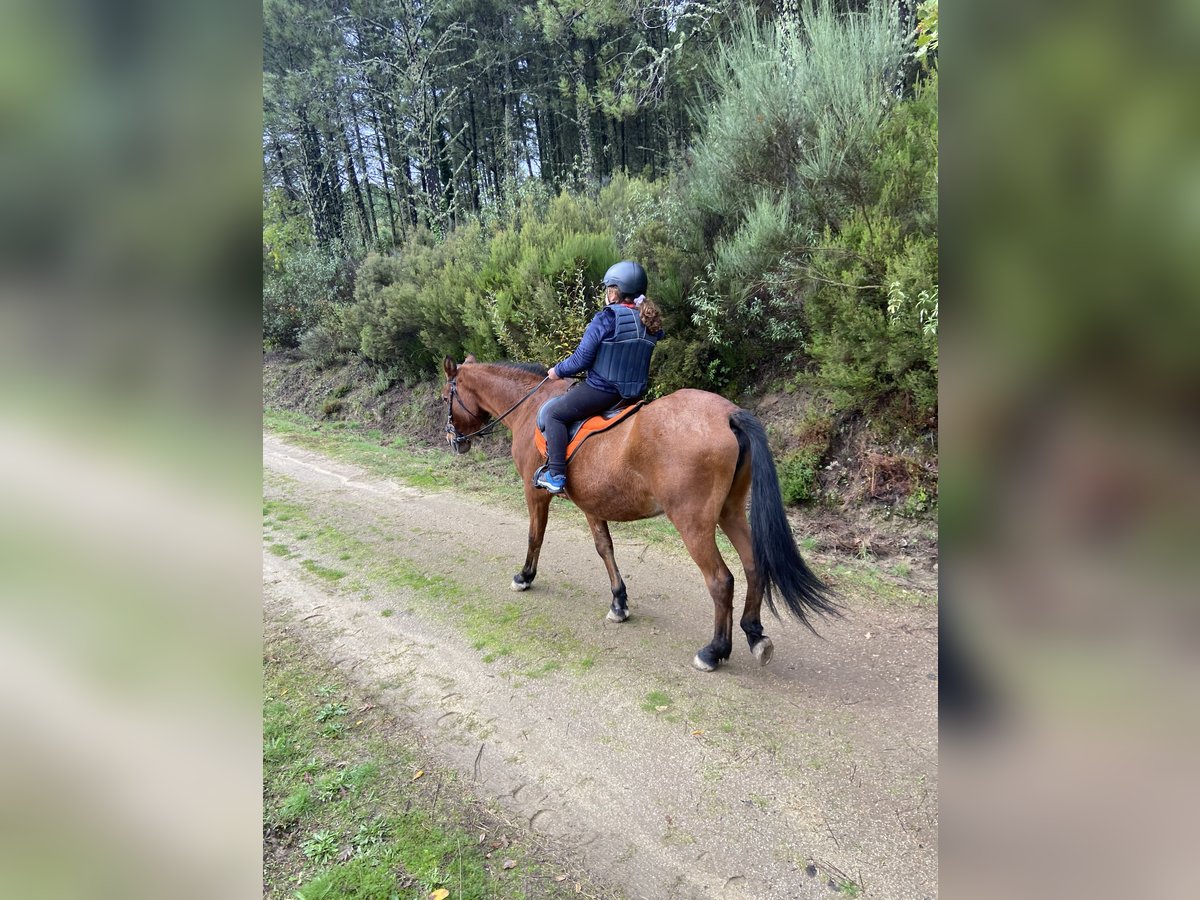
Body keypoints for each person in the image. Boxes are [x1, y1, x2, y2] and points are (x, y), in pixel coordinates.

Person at [535, 260, 665, 494]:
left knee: (554, 414)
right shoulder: (650, 321)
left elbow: (581, 359)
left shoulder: (607, 317)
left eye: (608, 289)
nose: (607, 294)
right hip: (633, 395)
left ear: (615, 292)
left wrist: (558, 371)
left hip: (602, 392)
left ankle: (556, 475)